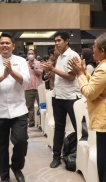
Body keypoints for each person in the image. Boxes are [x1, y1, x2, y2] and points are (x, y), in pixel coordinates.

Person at [68, 33, 106, 182]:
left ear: (103, 51)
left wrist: (79, 74)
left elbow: (90, 93)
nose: (93, 50)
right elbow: (97, 86)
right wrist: (84, 72)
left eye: (95, 47)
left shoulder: (104, 68)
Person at [0, 33, 30, 182]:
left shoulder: (21, 61)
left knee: (20, 141)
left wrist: (11, 72)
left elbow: (25, 81)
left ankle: (17, 167)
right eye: (2, 43)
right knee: (1, 147)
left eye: (7, 43)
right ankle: (4, 177)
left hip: (19, 109)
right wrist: (5, 75)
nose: (4, 45)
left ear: (13, 45)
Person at [41, 31, 81, 169]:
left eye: (59, 40)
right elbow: (58, 75)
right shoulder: (59, 57)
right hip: (58, 96)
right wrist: (49, 71)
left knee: (78, 128)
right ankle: (56, 156)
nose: (56, 43)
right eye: (55, 41)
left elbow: (71, 77)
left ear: (67, 41)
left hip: (70, 97)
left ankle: (78, 156)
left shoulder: (73, 55)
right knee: (59, 128)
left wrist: (53, 68)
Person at [24, 49, 42, 127]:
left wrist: (32, 67)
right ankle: (31, 122)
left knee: (40, 105)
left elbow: (39, 73)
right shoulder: (24, 64)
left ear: (34, 54)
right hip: (28, 87)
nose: (30, 55)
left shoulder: (38, 63)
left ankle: (41, 122)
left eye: (32, 53)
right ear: (27, 55)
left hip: (38, 87)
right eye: (29, 53)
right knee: (29, 107)